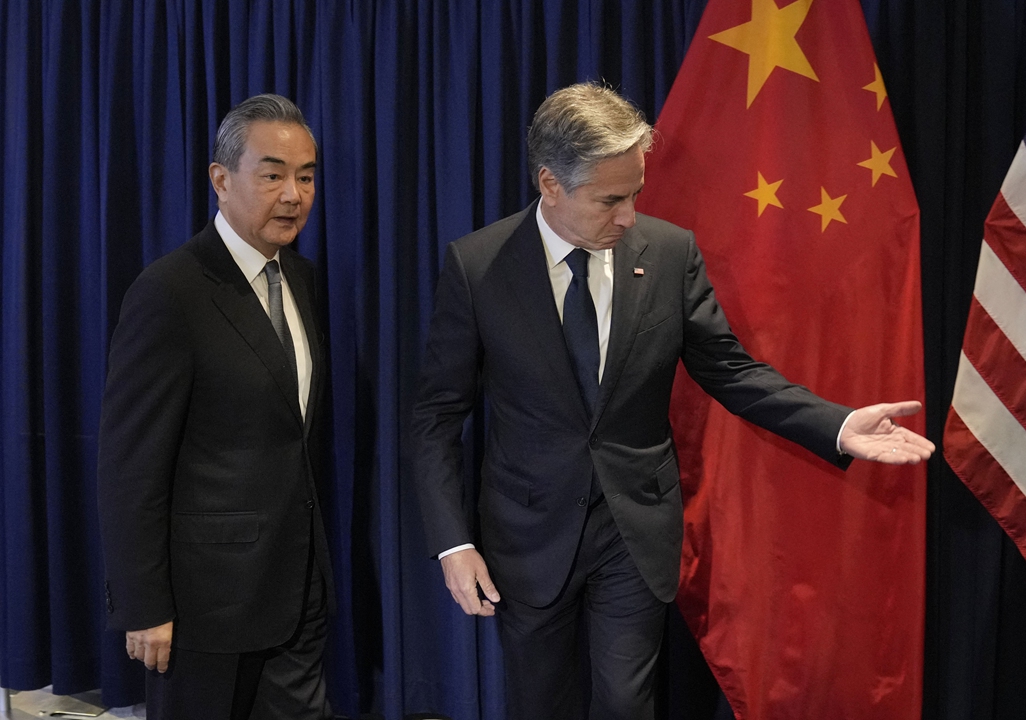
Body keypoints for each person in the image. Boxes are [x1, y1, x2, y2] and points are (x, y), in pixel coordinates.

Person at [410, 82, 935, 719]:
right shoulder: (478, 266)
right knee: (539, 703)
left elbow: (731, 371)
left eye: (635, 193)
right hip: (527, 532)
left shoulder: (668, 254)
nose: (629, 215)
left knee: (628, 705)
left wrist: (839, 423)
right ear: (550, 184)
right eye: (610, 199)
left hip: (634, 526)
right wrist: (452, 543)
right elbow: (437, 415)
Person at [97, 94, 333, 720]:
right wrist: (145, 606)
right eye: (274, 174)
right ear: (221, 180)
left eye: (306, 176)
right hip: (203, 609)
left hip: (296, 590)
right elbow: (130, 467)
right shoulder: (169, 292)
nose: (294, 194)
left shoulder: (302, 280)